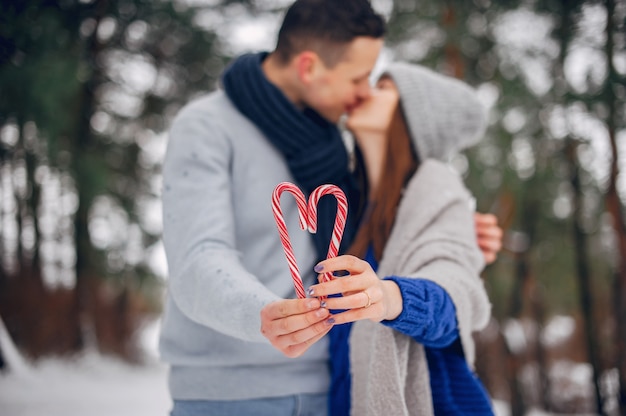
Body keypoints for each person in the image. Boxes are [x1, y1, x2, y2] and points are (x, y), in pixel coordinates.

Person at [159, 1, 386, 415]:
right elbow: (197, 259)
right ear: (308, 67)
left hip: (331, 388)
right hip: (229, 397)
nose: (365, 92)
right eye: (358, 77)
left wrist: (459, 230)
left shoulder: (330, 147)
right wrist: (259, 313)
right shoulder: (206, 127)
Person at [305, 63, 496, 415]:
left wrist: (387, 296)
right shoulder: (352, 205)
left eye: (384, 87)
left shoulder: (437, 190)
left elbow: (453, 294)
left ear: (413, 117)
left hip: (439, 404)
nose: (365, 92)